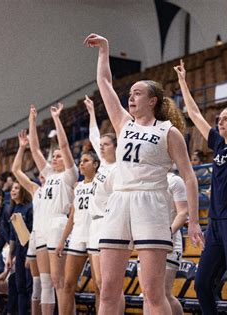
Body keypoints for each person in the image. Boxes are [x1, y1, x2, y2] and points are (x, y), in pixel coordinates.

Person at [85, 33, 203, 314]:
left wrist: (195, 221)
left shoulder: (168, 132)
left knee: (152, 292)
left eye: (138, 93)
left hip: (151, 202)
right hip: (119, 201)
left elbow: (189, 177)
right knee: (108, 291)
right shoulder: (123, 123)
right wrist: (105, 49)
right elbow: (104, 84)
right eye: (130, 93)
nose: (131, 97)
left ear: (153, 101)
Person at [174, 38, 227, 315]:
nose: (219, 122)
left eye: (225, 118)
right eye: (219, 119)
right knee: (201, 285)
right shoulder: (219, 144)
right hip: (216, 225)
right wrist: (184, 82)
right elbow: (195, 113)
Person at [28, 103, 78, 314]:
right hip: (41, 227)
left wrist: (57, 120)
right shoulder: (48, 175)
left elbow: (65, 147)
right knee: (46, 282)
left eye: (58, 156)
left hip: (58, 224)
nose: (56, 158)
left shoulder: (69, 175)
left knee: (60, 282)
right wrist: (32, 120)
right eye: (54, 156)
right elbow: (34, 149)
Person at [84, 94, 120, 312]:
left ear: (116, 146)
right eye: (102, 145)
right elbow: (93, 134)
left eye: (107, 144)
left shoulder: (117, 168)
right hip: (93, 225)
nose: (103, 147)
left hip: (107, 224)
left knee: (108, 285)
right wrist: (91, 113)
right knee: (99, 284)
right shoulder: (103, 164)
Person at [138, 171, 188, 315]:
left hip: (169, 240)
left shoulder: (175, 181)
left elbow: (183, 213)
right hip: (147, 240)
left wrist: (166, 233)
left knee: (163, 293)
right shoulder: (146, 179)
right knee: (146, 294)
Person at [60, 151, 100, 315]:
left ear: (95, 164)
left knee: (98, 286)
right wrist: (62, 241)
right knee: (68, 284)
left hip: (95, 234)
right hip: (78, 234)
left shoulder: (101, 183)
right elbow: (71, 216)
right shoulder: (77, 186)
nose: (81, 164)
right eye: (80, 161)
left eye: (86, 161)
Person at [12, 129, 44, 315]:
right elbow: (16, 170)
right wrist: (22, 148)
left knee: (41, 287)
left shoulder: (64, 184)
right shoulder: (35, 189)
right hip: (30, 242)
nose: (41, 174)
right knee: (23, 286)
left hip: (49, 240)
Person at [6, 182, 33, 315]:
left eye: (16, 188)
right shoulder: (13, 209)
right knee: (19, 286)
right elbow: (12, 235)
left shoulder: (30, 208)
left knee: (30, 287)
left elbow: (32, 234)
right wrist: (10, 256)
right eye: (12, 188)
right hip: (19, 251)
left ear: (23, 190)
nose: (13, 191)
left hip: (30, 250)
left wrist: (30, 253)